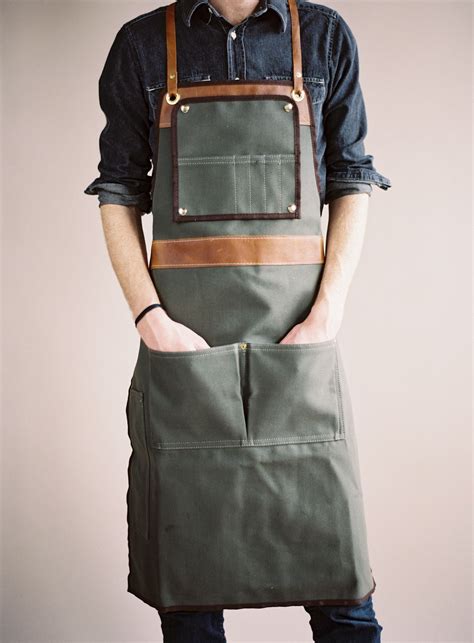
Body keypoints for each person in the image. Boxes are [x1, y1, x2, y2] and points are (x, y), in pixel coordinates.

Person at [84, 1, 391, 641]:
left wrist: (327, 314)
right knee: (190, 602)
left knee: (343, 601)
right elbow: (117, 191)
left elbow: (351, 180)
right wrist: (150, 320)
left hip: (298, 350)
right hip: (185, 356)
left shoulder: (324, 37)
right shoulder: (143, 44)